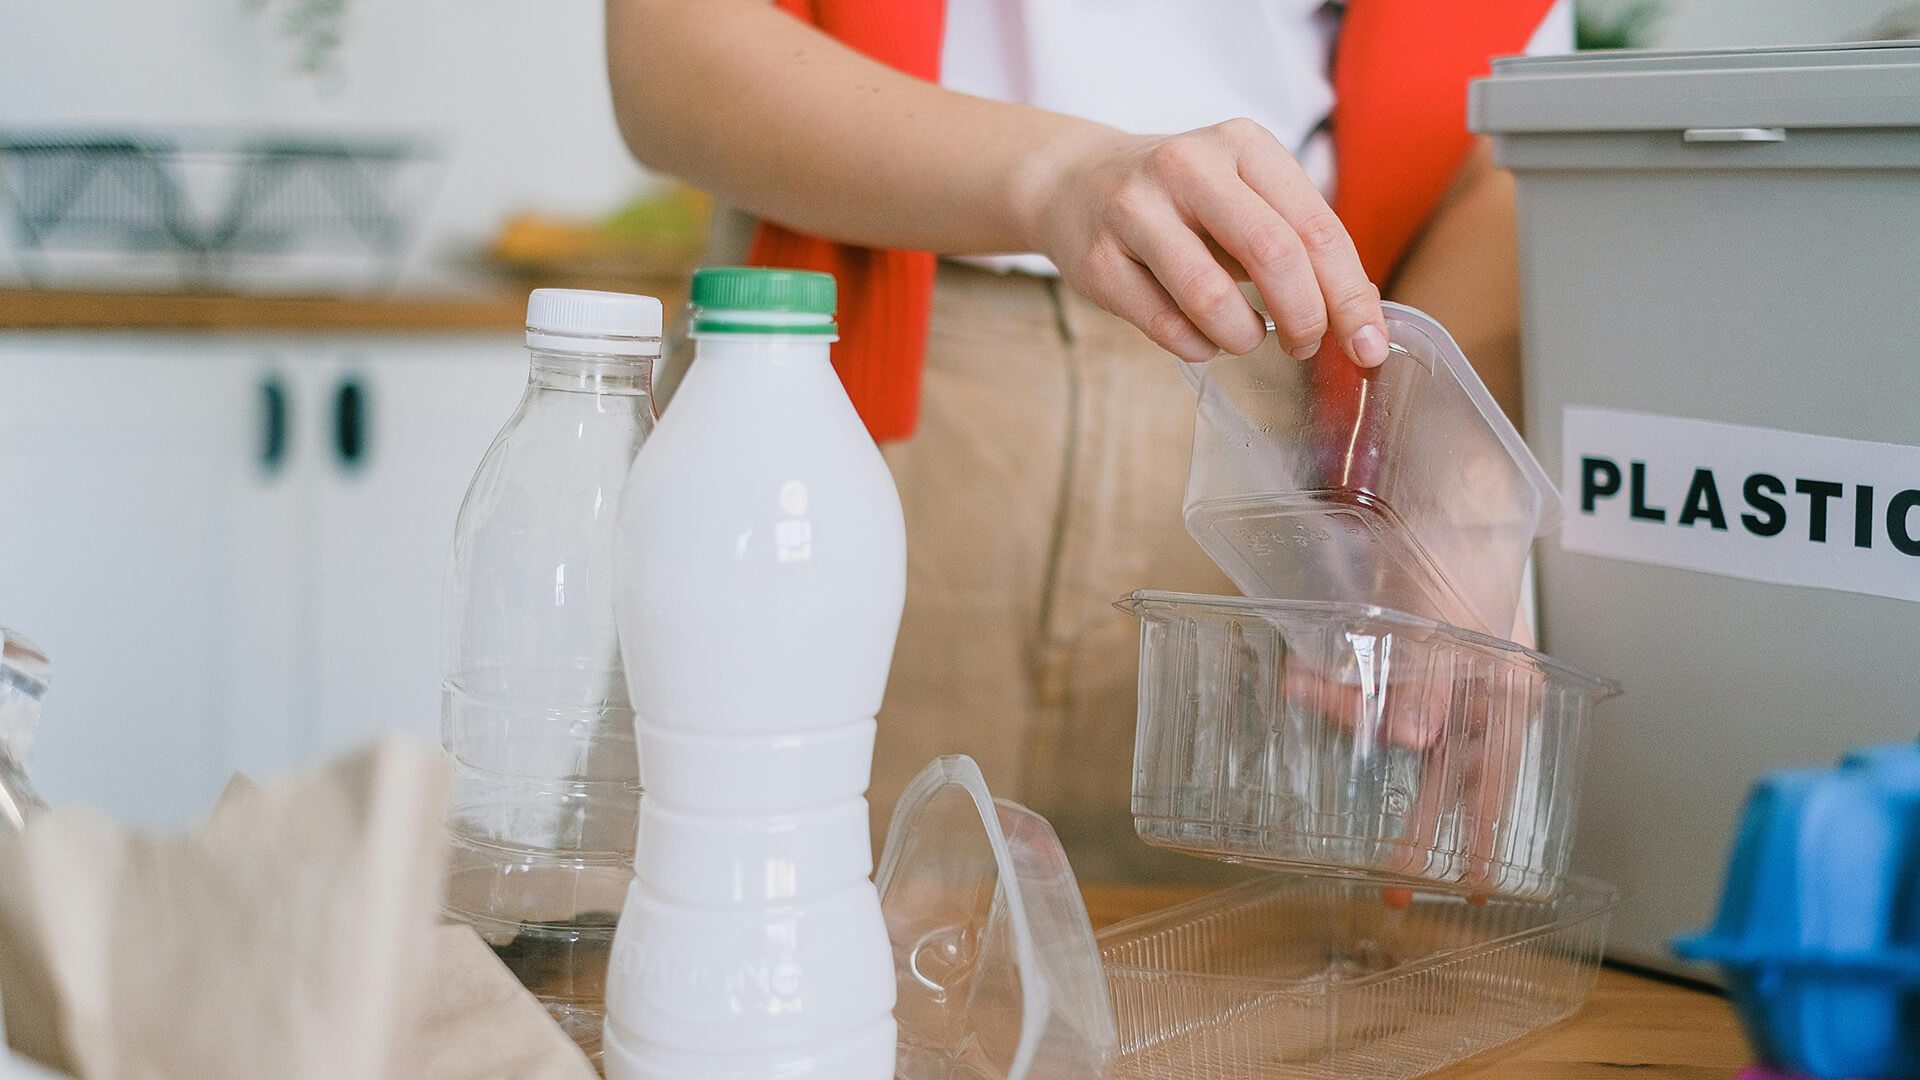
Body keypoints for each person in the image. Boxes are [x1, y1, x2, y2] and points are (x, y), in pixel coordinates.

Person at [606, 0, 1572, 880]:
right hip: (866, 369)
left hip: (1279, 426)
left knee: (1225, 1013)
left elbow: (1496, 151)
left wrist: (1443, 482)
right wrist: (1059, 172)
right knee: (728, 940)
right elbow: (674, 52)